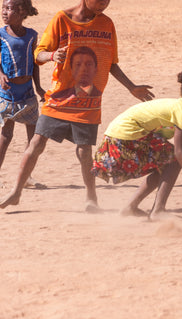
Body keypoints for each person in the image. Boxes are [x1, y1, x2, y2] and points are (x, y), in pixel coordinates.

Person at [0, 0, 154, 212]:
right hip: (58, 99)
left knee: (84, 152)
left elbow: (111, 62)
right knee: (36, 144)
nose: (103, 4)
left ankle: (91, 199)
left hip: (89, 102)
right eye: (99, 0)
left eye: (107, 0)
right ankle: (16, 192)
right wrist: (53, 55)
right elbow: (38, 54)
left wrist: (131, 87)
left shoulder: (107, 24)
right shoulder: (62, 19)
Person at [93, 71, 182, 219]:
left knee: (168, 161)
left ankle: (131, 207)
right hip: (124, 137)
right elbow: (180, 153)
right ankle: (157, 210)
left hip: (119, 135)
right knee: (173, 160)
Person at [0, 0, 46, 188]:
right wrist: (1, 75)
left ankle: (26, 176)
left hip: (27, 93)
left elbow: (34, 64)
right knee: (6, 135)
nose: (4, 12)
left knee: (33, 137)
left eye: (8, 9)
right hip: (8, 93)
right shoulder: (1, 35)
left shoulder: (32, 35)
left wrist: (39, 87)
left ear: (22, 11)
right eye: (2, 8)